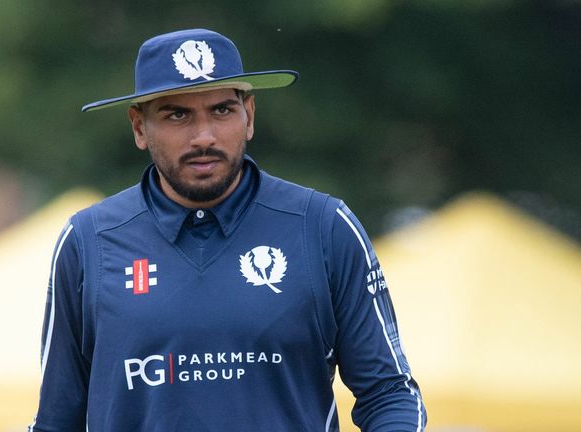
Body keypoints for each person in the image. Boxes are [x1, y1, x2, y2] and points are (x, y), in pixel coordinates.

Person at [29, 28, 426, 432]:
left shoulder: (323, 227)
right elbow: (56, 422)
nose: (204, 136)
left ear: (249, 115)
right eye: (177, 114)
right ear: (139, 127)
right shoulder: (87, 242)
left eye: (221, 110)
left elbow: (389, 394)